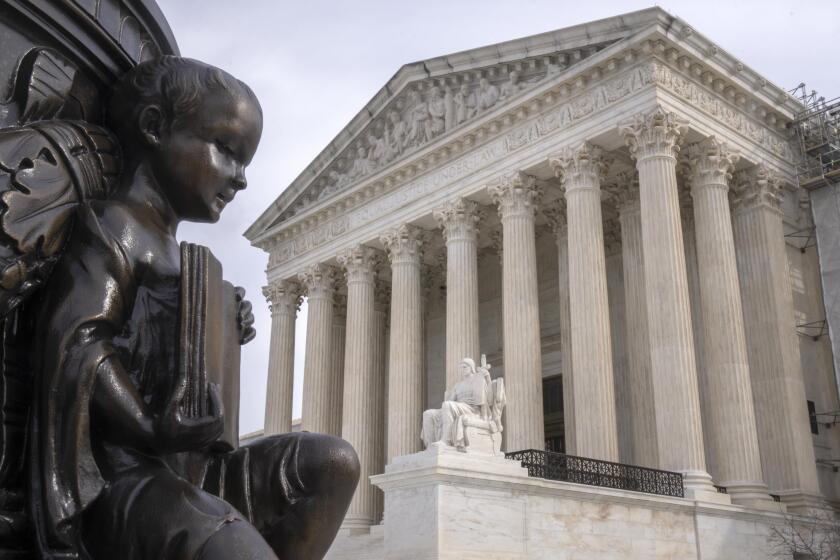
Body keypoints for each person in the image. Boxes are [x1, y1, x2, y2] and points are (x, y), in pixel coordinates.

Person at [29, 56, 359, 560]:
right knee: (231, 543)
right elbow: (79, 343)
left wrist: (221, 327)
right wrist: (146, 425)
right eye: (227, 151)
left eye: (246, 161)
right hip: (129, 474)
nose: (241, 178)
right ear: (155, 128)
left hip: (194, 463)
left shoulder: (184, 260)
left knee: (332, 463)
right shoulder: (117, 228)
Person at [421, 358, 492, 450]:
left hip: (471, 409)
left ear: (471, 368)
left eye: (465, 367)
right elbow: (450, 400)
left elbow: (488, 398)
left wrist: (487, 378)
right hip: (457, 407)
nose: (462, 370)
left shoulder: (478, 380)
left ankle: (446, 440)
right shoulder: (458, 385)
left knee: (447, 405)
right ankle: (430, 446)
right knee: (428, 413)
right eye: (461, 368)